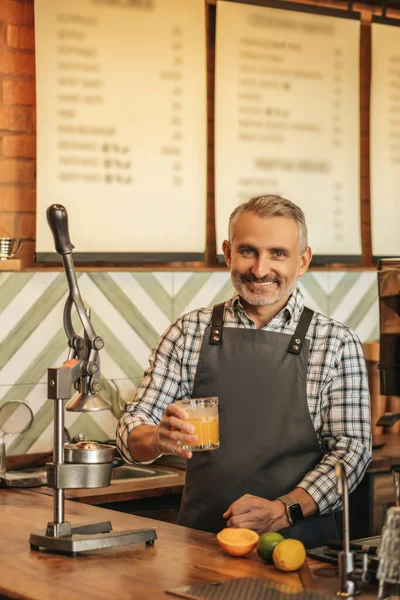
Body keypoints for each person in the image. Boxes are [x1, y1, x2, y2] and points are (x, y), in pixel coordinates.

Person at [116, 194, 372, 549]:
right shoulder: (188, 331)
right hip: (202, 545)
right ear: (228, 253)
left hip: (300, 548)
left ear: (303, 260)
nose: (260, 268)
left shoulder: (337, 343)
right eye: (248, 251)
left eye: (278, 254)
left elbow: (352, 452)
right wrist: (156, 439)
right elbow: (134, 425)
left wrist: (284, 510)